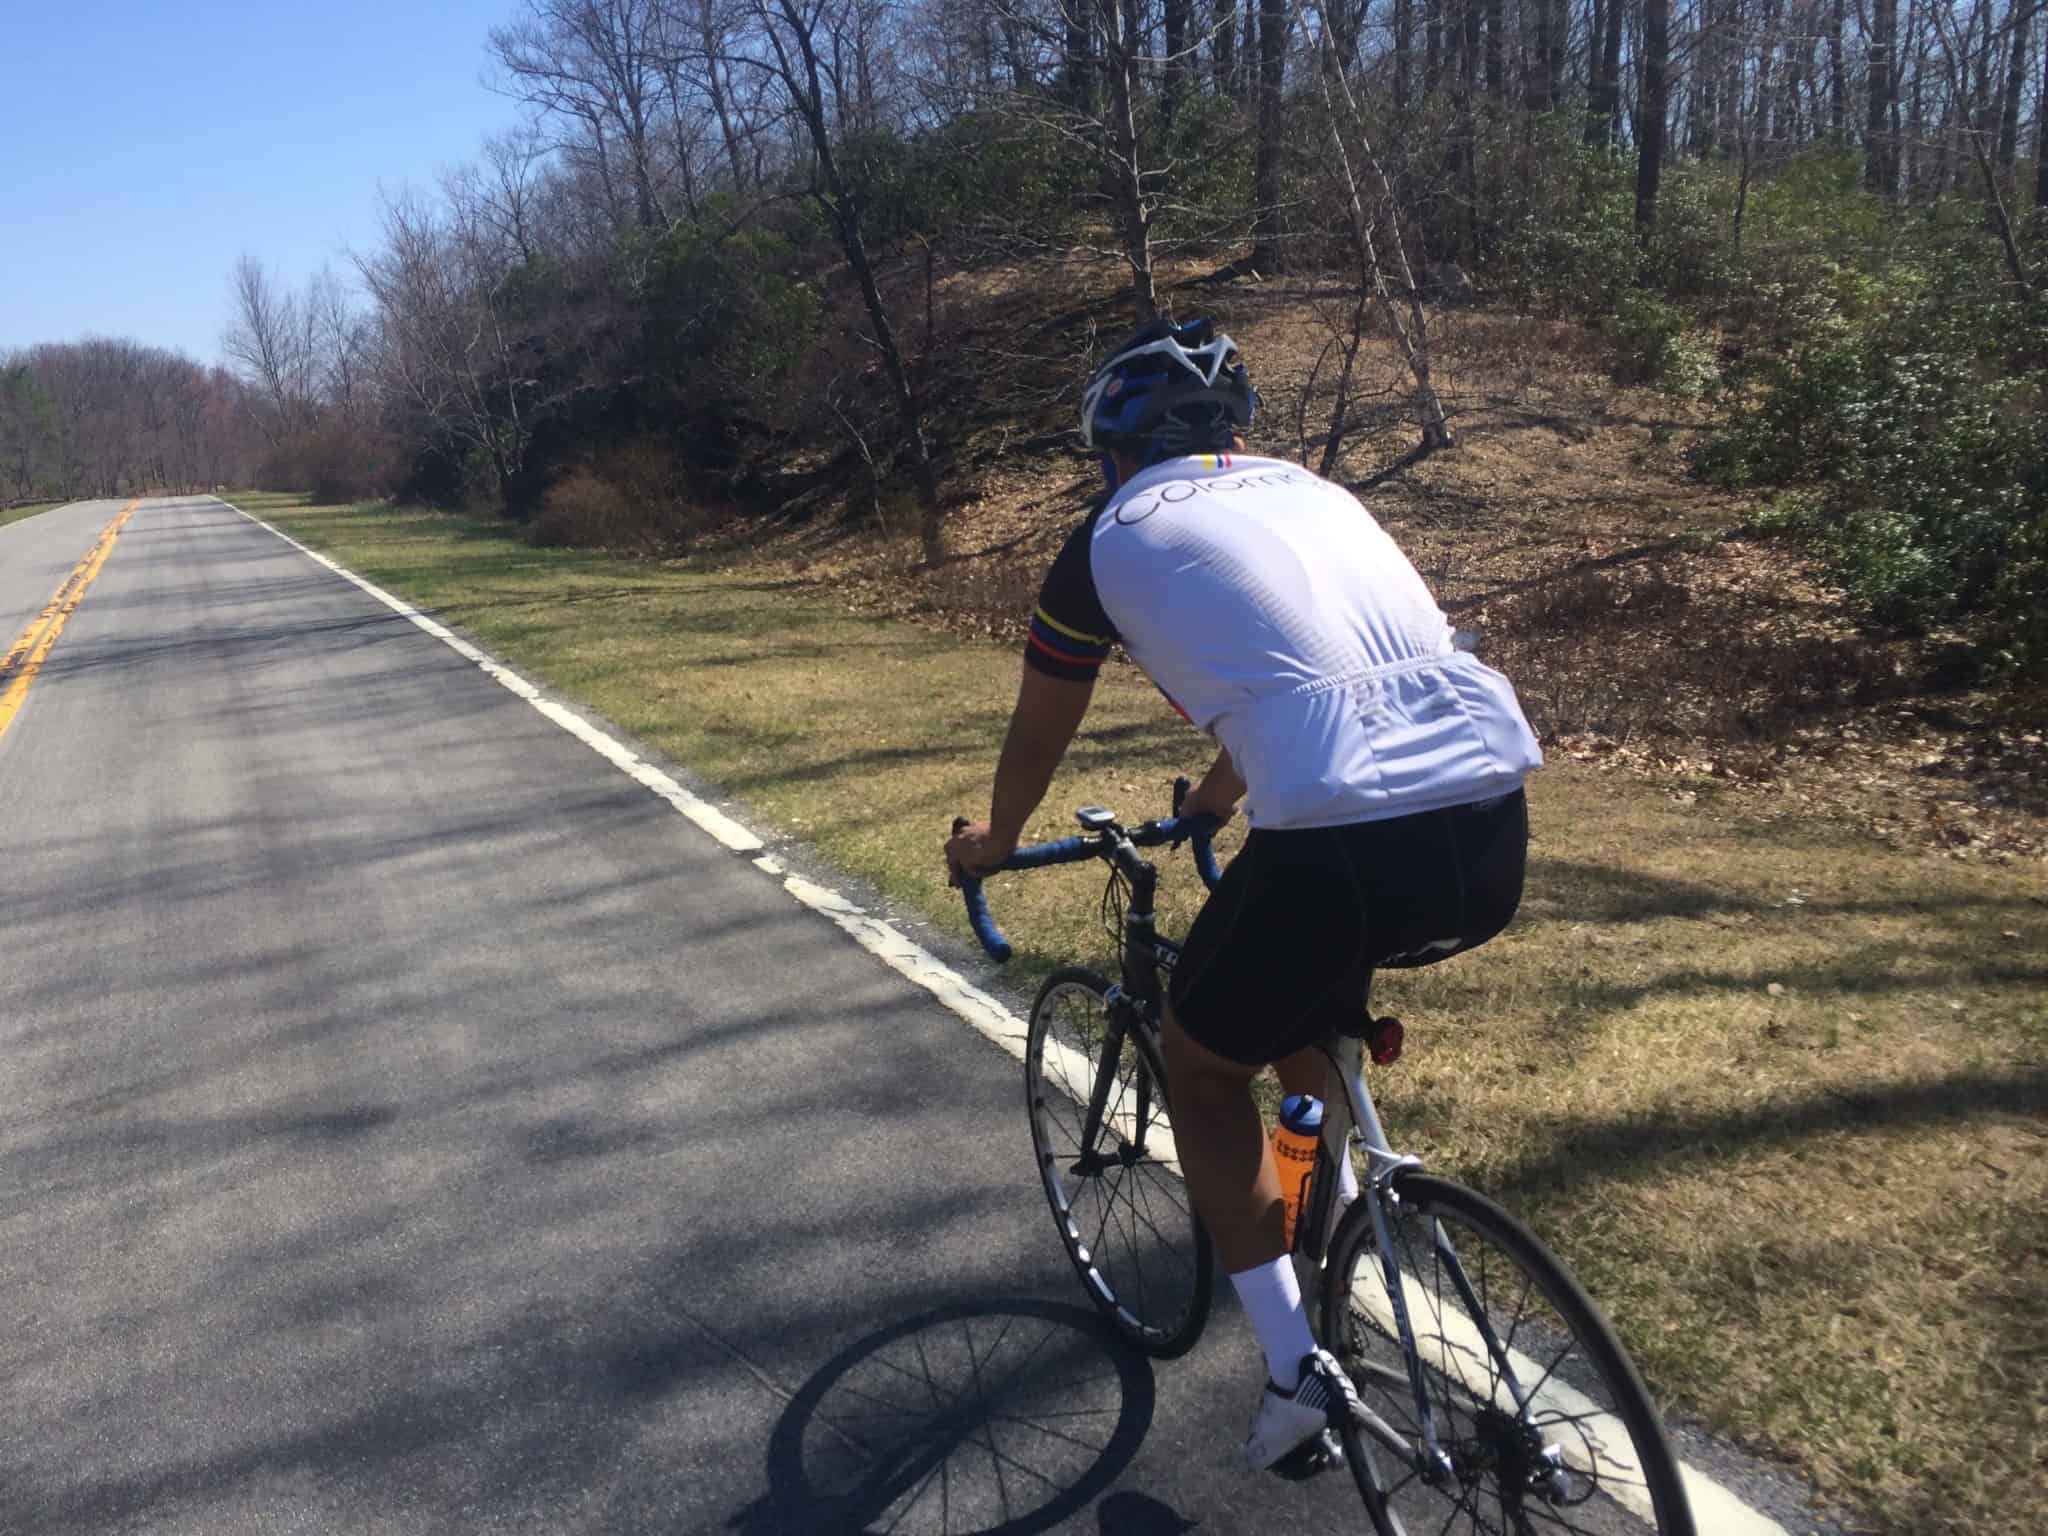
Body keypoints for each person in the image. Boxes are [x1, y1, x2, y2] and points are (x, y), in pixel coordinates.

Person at [945, 316, 1542, 1474]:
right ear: (1235, 432)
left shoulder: (1106, 537)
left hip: (1341, 846)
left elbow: (1041, 720)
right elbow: (1315, 671)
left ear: (1111, 452)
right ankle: (1329, 1212)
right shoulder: (1316, 498)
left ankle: (1289, 1377)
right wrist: (1214, 804)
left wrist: (995, 841)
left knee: (1203, 1067)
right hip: (1487, 829)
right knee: (1299, 1023)